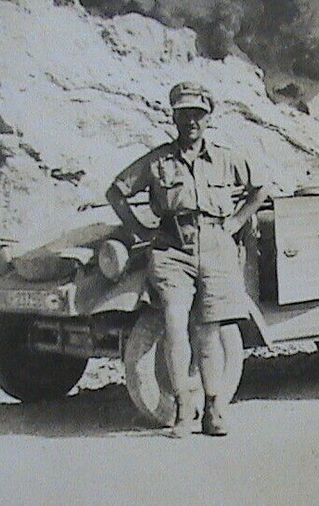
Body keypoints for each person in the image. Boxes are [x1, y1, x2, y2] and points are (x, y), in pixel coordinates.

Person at [107, 82, 268, 436]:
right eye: (184, 114)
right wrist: (140, 232)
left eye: (197, 114)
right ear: (174, 118)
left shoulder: (225, 158)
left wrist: (237, 221)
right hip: (171, 248)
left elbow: (259, 188)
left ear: (207, 118)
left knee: (209, 330)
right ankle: (183, 407)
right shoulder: (159, 160)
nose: (191, 121)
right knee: (176, 324)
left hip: (215, 245)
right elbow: (116, 191)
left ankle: (213, 408)